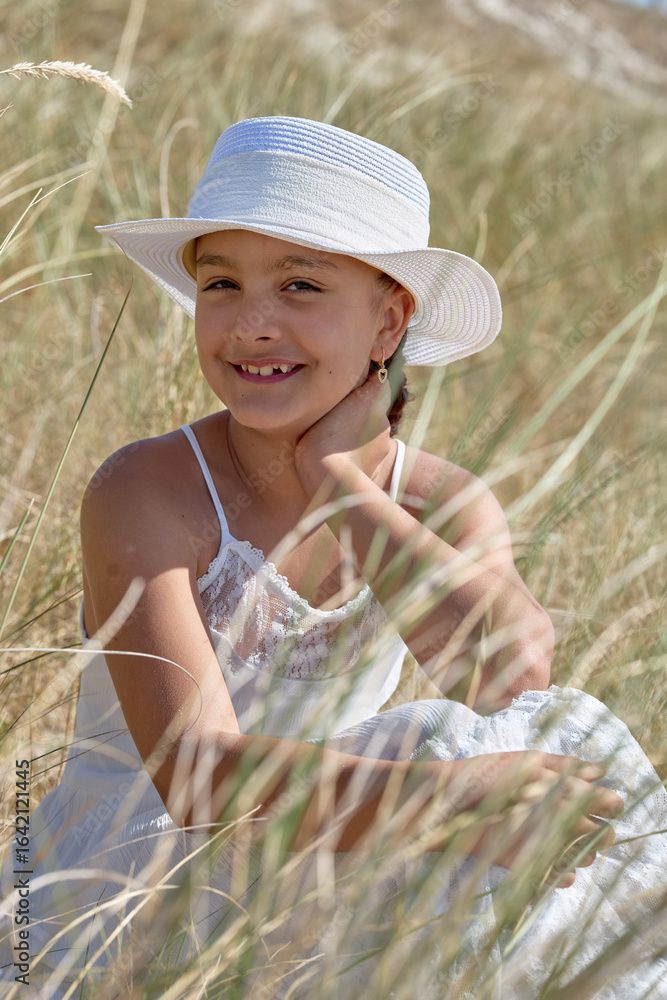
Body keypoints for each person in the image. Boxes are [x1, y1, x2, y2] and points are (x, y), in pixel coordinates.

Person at [1, 116, 666, 1000]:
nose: (250, 325)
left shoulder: (443, 500)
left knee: (571, 739)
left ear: (388, 321)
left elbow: (508, 675)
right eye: (221, 284)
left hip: (318, 845)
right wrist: (449, 797)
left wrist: (343, 489)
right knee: (442, 766)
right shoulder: (148, 489)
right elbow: (196, 777)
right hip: (127, 873)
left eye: (301, 285)